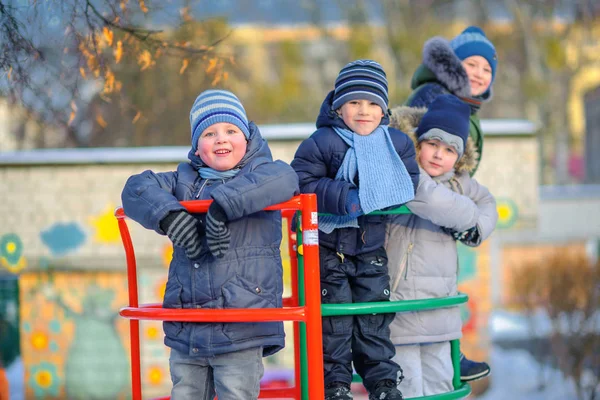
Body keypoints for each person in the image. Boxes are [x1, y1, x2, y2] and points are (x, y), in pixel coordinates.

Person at [121, 89, 299, 400]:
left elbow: (286, 179)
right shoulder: (183, 180)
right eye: (209, 132)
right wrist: (171, 217)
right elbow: (136, 188)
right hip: (189, 325)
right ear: (196, 146)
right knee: (186, 394)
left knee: (236, 393)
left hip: (241, 325)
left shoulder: (264, 172)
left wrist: (221, 206)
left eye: (231, 130)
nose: (221, 139)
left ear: (247, 137)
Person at [292, 59, 420, 400]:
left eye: (373, 103)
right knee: (334, 323)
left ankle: (382, 383)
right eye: (354, 103)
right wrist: (346, 197)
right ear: (339, 106)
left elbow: (408, 183)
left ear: (384, 109)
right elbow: (302, 182)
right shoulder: (322, 142)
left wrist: (376, 195)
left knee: (374, 317)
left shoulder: (396, 144)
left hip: (370, 249)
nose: (364, 111)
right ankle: (334, 384)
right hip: (328, 249)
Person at [386, 94, 498, 396]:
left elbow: (489, 204)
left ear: (459, 157)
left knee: (440, 384)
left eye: (449, 150)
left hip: (441, 310)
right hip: (403, 308)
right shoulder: (405, 172)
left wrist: (475, 228)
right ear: (419, 143)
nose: (438, 155)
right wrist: (467, 214)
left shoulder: (460, 182)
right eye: (432, 144)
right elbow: (428, 198)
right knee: (408, 385)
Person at [405, 26, 497, 177]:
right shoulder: (434, 95)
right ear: (453, 65)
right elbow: (411, 151)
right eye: (472, 65)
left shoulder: (469, 105)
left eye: (487, 70)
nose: (479, 74)